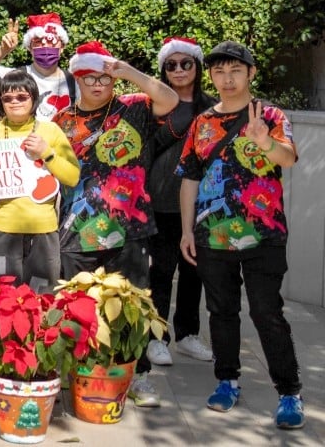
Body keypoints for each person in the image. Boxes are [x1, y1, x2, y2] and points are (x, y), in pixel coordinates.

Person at [176, 41, 304, 430]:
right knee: (221, 312)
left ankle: (289, 391)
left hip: (264, 234)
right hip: (212, 236)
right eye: (219, 71)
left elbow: (288, 158)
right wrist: (186, 230)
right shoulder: (201, 123)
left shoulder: (270, 114)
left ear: (251, 73)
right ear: (211, 76)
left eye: (235, 70)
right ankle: (227, 380)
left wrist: (263, 139)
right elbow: (190, 179)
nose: (227, 79)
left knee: (267, 313)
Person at [53, 40, 178, 409]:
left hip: (130, 228)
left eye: (103, 78)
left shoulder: (134, 109)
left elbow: (170, 101)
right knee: (78, 306)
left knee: (132, 305)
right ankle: (79, 370)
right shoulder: (61, 122)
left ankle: (137, 376)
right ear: (76, 78)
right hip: (76, 231)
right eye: (89, 78)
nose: (97, 85)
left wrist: (128, 73)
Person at [0, 70, 81, 289]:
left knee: (42, 297)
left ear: (34, 98)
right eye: (7, 98)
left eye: (22, 97)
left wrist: (46, 152)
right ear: (0, 103)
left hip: (43, 231)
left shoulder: (51, 130)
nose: (15, 102)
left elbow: (72, 177)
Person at [144, 37, 216, 367]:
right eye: (170, 65)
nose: (178, 70)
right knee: (160, 272)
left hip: (202, 203)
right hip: (160, 200)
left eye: (185, 63)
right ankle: (155, 338)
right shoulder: (154, 104)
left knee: (194, 272)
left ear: (197, 67)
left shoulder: (213, 107)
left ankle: (188, 334)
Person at [0, 13, 79, 121]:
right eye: (38, 42)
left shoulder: (75, 82)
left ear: (62, 47)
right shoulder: (17, 77)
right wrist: (2, 51)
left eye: (51, 41)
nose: (45, 46)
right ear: (30, 48)